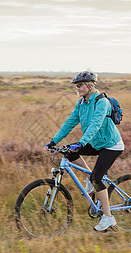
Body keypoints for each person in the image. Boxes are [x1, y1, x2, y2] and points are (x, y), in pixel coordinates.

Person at [44, 70, 124, 232]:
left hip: (111, 145)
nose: (78, 89)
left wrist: (81, 143)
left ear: (90, 85)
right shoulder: (82, 103)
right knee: (70, 153)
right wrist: (54, 140)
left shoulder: (102, 102)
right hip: (96, 143)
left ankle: (108, 218)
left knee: (97, 178)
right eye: (76, 86)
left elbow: (95, 124)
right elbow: (70, 122)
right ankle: (90, 178)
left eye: (80, 86)